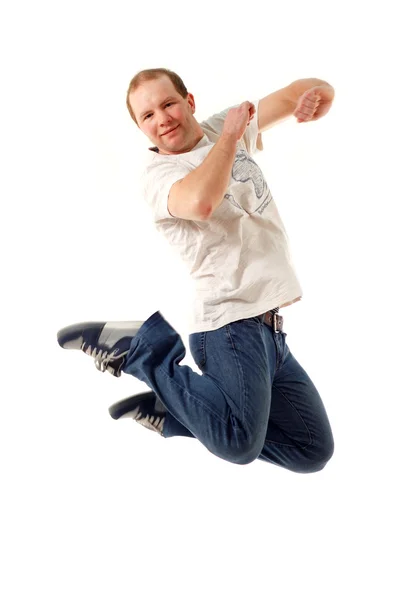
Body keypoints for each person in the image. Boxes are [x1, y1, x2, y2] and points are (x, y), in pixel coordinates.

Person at [57, 68, 335, 473]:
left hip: (270, 331)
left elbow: (296, 92)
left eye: (167, 104)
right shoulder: (159, 175)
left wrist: (317, 97)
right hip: (227, 327)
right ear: (139, 127)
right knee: (239, 444)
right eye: (147, 116)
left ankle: (174, 411)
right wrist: (230, 137)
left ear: (188, 102)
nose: (162, 119)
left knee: (310, 449)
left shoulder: (221, 130)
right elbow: (202, 202)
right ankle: (141, 349)